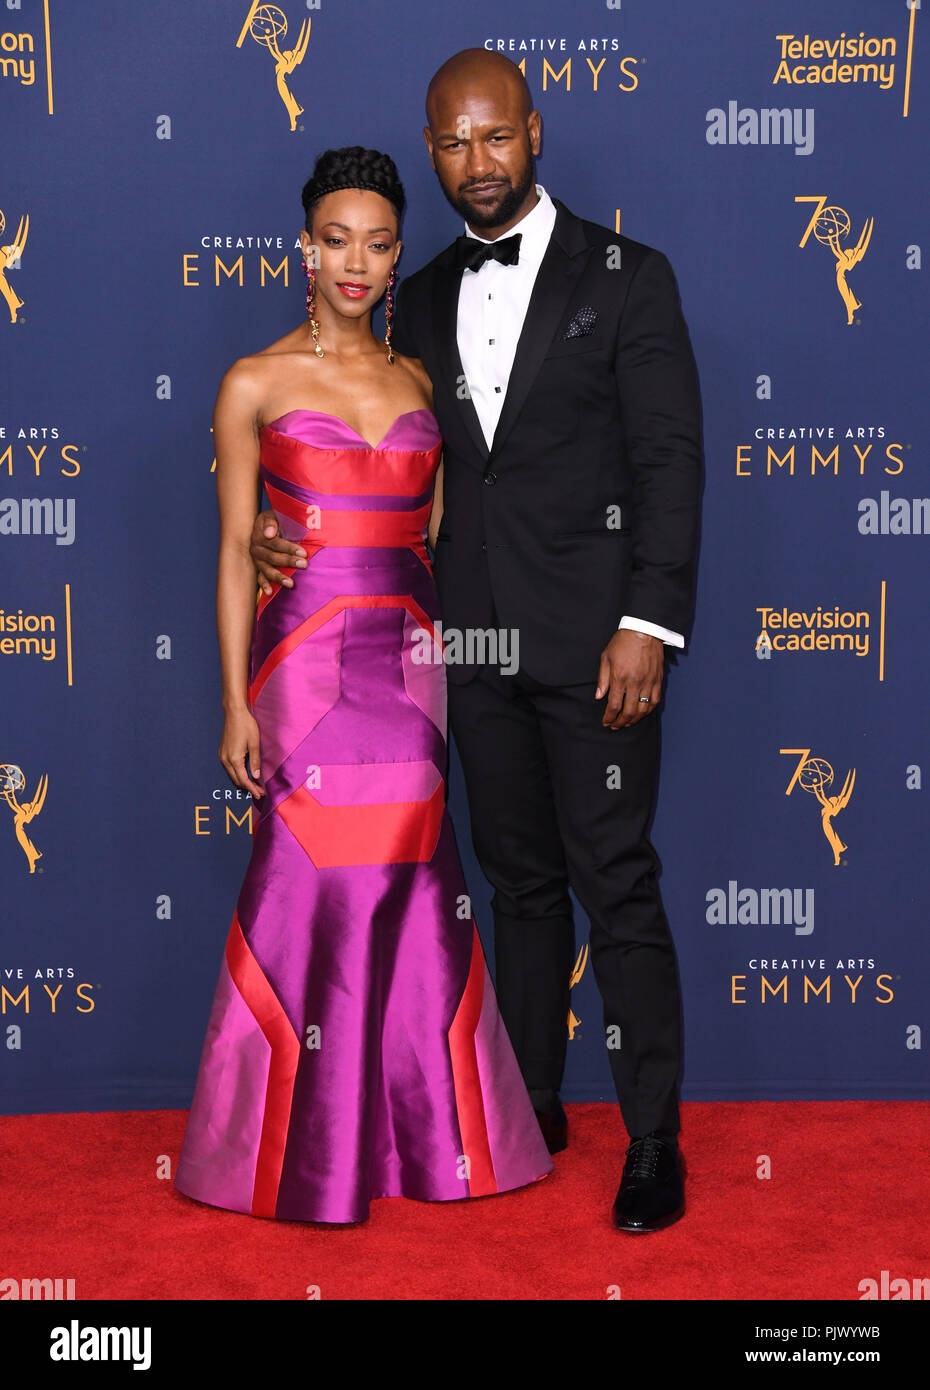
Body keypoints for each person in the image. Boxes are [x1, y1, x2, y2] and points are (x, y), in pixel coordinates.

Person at [251, 51, 704, 1234]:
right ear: (433, 148)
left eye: (494, 138)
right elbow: (386, 459)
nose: (476, 163)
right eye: (452, 144)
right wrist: (272, 533)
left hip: (603, 647)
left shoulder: (629, 276)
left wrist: (647, 623)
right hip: (469, 651)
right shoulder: (426, 293)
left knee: (620, 885)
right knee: (515, 885)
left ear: (534, 131)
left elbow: (668, 464)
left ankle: (654, 1138)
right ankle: (532, 1102)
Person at [174, 146, 553, 1225]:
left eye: (379, 242)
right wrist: (238, 702)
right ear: (304, 246)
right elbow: (235, 550)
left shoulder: (418, 381)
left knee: (413, 885)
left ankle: (425, 1139)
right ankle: (289, 1151)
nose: (357, 261)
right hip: (303, 663)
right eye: (336, 239)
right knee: (309, 886)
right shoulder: (254, 379)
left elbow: (429, 533)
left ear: (397, 254)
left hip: (411, 665)